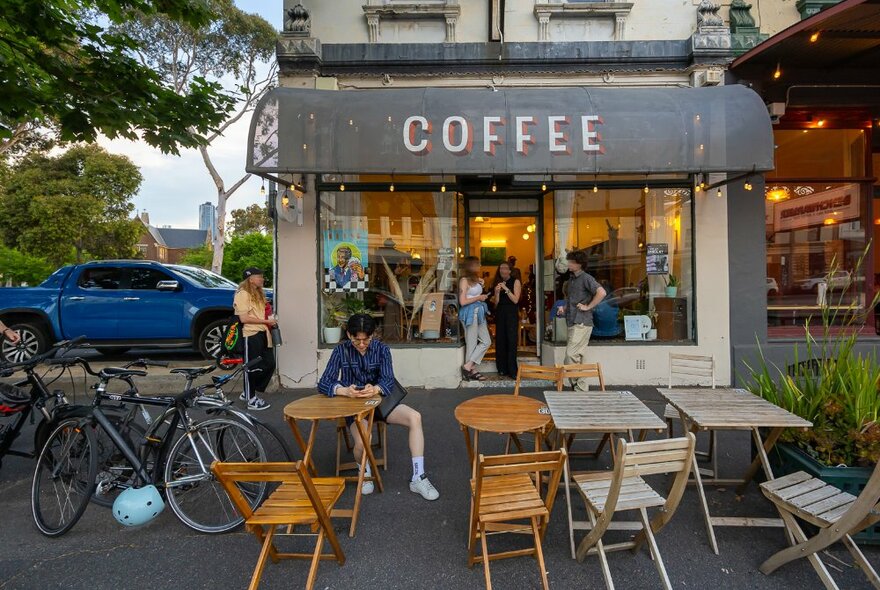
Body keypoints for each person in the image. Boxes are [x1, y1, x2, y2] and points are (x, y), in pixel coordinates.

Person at [317, 313, 439, 501]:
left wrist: (375, 388)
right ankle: (363, 469)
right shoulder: (341, 350)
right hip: (354, 407)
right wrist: (344, 391)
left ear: (373, 335)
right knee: (364, 439)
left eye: (366, 339)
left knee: (415, 417)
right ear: (349, 335)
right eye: (357, 340)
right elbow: (324, 382)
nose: (362, 344)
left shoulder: (382, 349)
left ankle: (418, 477)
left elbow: (388, 380)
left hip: (380, 403)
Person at [556, 251, 606, 390]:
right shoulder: (572, 279)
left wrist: (588, 306)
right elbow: (572, 299)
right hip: (573, 321)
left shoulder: (586, 278)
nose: (568, 264)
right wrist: (564, 308)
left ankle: (577, 384)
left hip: (582, 322)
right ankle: (581, 389)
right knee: (579, 356)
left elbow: (601, 292)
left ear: (579, 264)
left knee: (570, 356)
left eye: (571, 262)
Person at [234, 267, 276, 410]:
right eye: (259, 277)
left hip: (263, 333)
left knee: (269, 363)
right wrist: (266, 322)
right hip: (250, 334)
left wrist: (269, 320)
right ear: (250, 279)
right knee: (252, 367)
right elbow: (244, 318)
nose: (262, 279)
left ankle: (248, 392)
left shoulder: (258, 293)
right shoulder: (243, 294)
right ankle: (251, 398)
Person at [459, 256, 491, 381]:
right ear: (470, 266)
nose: (479, 266)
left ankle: (468, 366)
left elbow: (475, 292)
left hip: (479, 312)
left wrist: (480, 283)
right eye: (477, 264)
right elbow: (462, 301)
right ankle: (472, 370)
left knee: (486, 341)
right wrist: (479, 297)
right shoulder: (464, 280)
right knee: (471, 343)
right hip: (469, 313)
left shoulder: (475, 279)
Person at [492, 261, 522, 378]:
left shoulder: (516, 281)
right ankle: (502, 368)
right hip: (501, 313)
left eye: (505, 268)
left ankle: (513, 370)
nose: (502, 271)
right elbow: (496, 304)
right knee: (500, 340)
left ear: (510, 270)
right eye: (501, 268)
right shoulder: (497, 282)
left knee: (511, 340)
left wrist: (506, 289)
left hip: (511, 313)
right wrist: (497, 292)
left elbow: (515, 300)